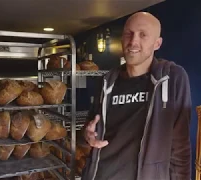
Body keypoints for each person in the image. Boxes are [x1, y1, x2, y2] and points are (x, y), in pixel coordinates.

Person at [81, 12, 192, 180]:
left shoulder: (172, 77)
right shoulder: (107, 81)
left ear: (157, 43)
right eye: (129, 33)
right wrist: (87, 135)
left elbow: (180, 146)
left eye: (143, 35)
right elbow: (90, 126)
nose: (133, 41)